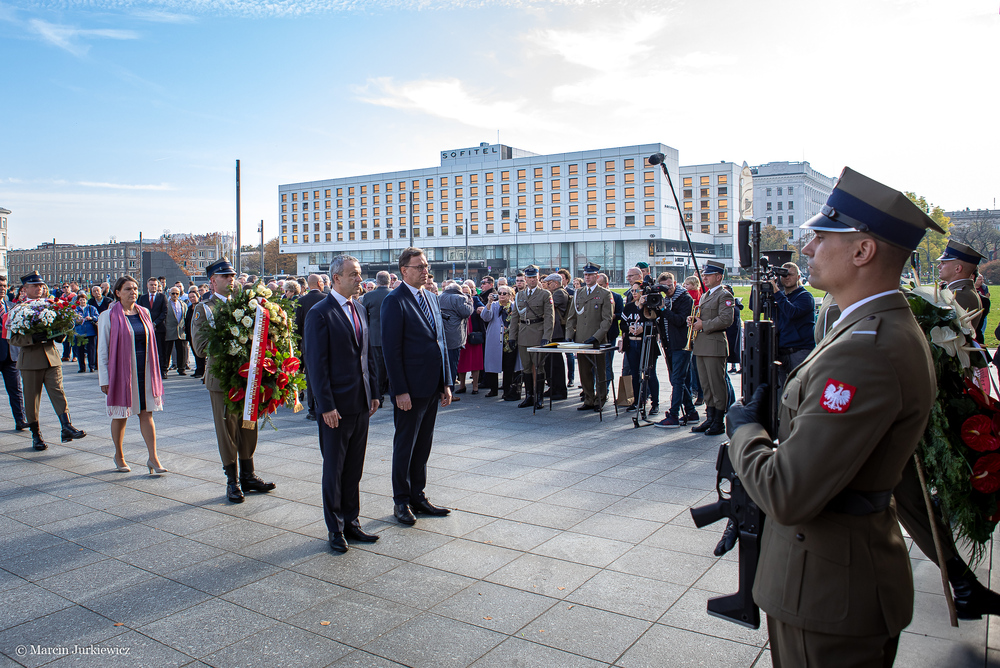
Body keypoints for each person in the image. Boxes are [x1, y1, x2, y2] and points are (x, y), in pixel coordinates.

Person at [726, 167, 942, 667]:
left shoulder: (866, 350)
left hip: (826, 587)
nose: (806, 250)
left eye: (821, 238)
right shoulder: (870, 328)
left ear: (862, 251)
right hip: (833, 578)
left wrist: (745, 432)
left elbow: (788, 491)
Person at [304, 255, 381, 553]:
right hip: (335, 407)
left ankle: (352, 522)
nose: (360, 280)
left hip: (361, 402)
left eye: (360, 274)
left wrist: (374, 391)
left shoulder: (360, 308)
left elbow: (367, 355)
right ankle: (335, 529)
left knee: (354, 468)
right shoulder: (319, 313)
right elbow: (316, 364)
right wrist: (325, 406)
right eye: (354, 275)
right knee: (334, 470)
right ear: (336, 278)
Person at [191, 258, 276, 503]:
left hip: (247, 375)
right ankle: (232, 480)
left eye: (232, 275)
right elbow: (200, 347)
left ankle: (249, 475)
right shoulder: (204, 308)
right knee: (227, 429)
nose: (230, 279)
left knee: (248, 425)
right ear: (213, 281)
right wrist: (232, 341)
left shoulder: (246, 305)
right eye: (225, 276)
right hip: (222, 377)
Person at [380, 247, 453, 525]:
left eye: (426, 266)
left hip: (432, 385)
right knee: (405, 446)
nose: (425, 270)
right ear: (404, 271)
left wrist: (446, 381)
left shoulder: (432, 298)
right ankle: (401, 500)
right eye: (419, 266)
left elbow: (440, 342)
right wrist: (399, 390)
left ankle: (418, 495)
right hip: (409, 388)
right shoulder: (394, 301)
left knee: (423, 445)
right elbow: (391, 350)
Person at [97, 275, 167, 475]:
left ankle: (153, 458)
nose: (133, 292)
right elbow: (103, 350)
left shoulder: (144, 312)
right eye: (128, 289)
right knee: (121, 415)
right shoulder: (108, 316)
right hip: (121, 373)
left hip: (144, 370)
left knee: (147, 413)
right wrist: (104, 379)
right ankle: (119, 455)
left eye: (135, 288)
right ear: (118, 293)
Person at [9, 272, 86, 450]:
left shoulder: (52, 306)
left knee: (58, 392)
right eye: (35, 286)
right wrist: (32, 338)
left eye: (41, 286)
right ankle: (36, 435)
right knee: (31, 399)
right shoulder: (18, 310)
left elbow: (62, 329)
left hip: (51, 357)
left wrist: (61, 335)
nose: (39, 289)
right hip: (30, 361)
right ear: (25, 289)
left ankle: (66, 426)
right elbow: (12, 339)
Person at [688, 260, 733, 436]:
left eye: (708, 275)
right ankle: (710, 417)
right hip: (701, 345)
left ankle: (718, 421)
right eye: (704, 274)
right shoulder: (706, 295)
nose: (704, 277)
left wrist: (703, 325)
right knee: (706, 385)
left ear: (718, 277)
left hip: (714, 346)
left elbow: (725, 319)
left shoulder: (724, 295)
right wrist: (693, 321)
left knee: (717, 385)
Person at [652, 272, 699, 428]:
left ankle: (673, 415)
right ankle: (691, 412)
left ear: (675, 282)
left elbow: (680, 321)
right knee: (679, 379)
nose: (668, 289)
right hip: (669, 344)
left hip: (682, 344)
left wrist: (664, 309)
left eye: (670, 285)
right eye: (665, 287)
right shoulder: (664, 299)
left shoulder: (685, 299)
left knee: (677, 379)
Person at [565, 263, 614, 411]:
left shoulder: (605, 294)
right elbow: (571, 317)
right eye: (585, 275)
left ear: (596, 276)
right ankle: (588, 398)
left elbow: (607, 319)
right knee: (584, 371)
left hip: (597, 340)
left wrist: (597, 336)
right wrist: (569, 335)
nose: (587, 277)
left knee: (599, 371)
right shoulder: (578, 293)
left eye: (590, 275)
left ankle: (600, 398)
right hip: (581, 339)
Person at [507, 265, 554, 409]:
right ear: (525, 279)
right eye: (529, 278)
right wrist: (512, 337)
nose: (532, 280)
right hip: (523, 334)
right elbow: (515, 317)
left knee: (539, 367)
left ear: (538, 277)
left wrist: (547, 336)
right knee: (526, 367)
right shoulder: (520, 295)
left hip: (538, 333)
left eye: (534, 277)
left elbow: (549, 317)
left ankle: (539, 398)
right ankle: (529, 396)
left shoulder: (545, 294)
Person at [767, 263, 815, 386]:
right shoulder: (780, 297)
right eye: (784, 275)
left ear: (799, 277)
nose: (787, 277)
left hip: (800, 351)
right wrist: (761, 286)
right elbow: (754, 307)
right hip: (781, 351)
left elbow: (791, 312)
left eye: (791, 275)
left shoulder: (805, 296)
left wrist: (777, 292)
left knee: (800, 389)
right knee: (781, 391)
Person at [618, 283, 659, 415]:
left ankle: (655, 403)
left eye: (637, 290)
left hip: (646, 343)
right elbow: (623, 324)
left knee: (650, 373)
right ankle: (637, 401)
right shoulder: (629, 307)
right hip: (632, 344)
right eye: (632, 290)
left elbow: (656, 326)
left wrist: (644, 329)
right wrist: (628, 328)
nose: (634, 293)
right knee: (635, 373)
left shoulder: (650, 306)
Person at [937, 240, 986, 335]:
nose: (939, 266)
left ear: (958, 268)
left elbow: (950, 333)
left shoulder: (959, 294)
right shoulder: (963, 291)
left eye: (943, 263)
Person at [295, 274, 327, 421]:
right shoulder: (327, 299)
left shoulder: (301, 301)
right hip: (326, 343)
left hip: (307, 344)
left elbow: (297, 327)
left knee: (311, 376)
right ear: (320, 283)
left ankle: (312, 409)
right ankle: (325, 406)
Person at [0, 275, 28, 431]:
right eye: (0, 286)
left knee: (16, 389)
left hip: (11, 354)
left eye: (4, 286)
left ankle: (20, 419)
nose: (2, 288)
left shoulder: (12, 306)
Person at [438, 280, 474, 398]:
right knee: (452, 366)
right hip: (455, 337)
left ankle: (440, 391)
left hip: (441, 336)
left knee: (442, 366)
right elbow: (466, 312)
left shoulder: (439, 297)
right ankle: (449, 393)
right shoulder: (459, 298)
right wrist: (470, 302)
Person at [361, 271, 391, 407]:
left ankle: (378, 396)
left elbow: (363, 315)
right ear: (389, 281)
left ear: (377, 281)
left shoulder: (368, 296)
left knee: (377, 367)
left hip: (374, 336)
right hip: (392, 337)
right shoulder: (394, 294)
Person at [480, 286, 517, 398]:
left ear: (510, 295)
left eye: (504, 293)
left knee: (509, 366)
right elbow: (485, 317)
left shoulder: (514, 307)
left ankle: (507, 390)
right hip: (495, 340)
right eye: (499, 293)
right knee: (492, 365)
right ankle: (493, 389)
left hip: (509, 341)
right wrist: (489, 303)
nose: (501, 295)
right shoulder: (494, 305)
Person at [541, 273, 568, 400]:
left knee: (556, 363)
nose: (546, 285)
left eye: (548, 283)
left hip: (556, 332)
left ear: (555, 283)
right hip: (553, 331)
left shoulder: (559, 293)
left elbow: (547, 307)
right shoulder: (556, 293)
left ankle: (560, 389)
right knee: (550, 362)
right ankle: (554, 387)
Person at [456, 283, 485, 394]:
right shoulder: (457, 301)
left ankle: (475, 387)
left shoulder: (475, 300)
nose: (465, 294)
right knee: (461, 362)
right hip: (462, 336)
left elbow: (483, 309)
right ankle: (462, 386)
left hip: (474, 336)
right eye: (462, 292)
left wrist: (477, 308)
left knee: (475, 362)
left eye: (467, 292)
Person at [598, 272, 624, 397]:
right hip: (595, 333)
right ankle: (593, 388)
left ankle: (605, 390)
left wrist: (612, 316)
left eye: (601, 285)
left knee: (607, 363)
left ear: (607, 284)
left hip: (609, 333)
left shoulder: (616, 297)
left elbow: (621, 314)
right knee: (593, 364)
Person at [137, 277, 168, 380]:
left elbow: (164, 312)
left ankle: (163, 371)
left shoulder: (162, 297)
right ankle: (149, 371)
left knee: (160, 350)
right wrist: (147, 324)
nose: (153, 287)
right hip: (145, 329)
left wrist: (155, 323)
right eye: (151, 285)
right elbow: (139, 311)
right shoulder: (142, 298)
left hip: (159, 328)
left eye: (155, 285)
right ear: (147, 286)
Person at [164, 287, 189, 376]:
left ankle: (181, 368)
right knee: (167, 351)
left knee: (181, 351)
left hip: (180, 331)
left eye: (177, 294)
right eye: (173, 293)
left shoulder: (183, 304)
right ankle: (164, 369)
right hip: (169, 331)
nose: (175, 295)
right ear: (169, 294)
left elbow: (185, 317)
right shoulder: (166, 304)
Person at [72, 294, 98, 373]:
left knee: (91, 350)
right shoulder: (75, 310)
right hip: (79, 332)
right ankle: (82, 367)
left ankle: (92, 366)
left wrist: (91, 318)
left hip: (90, 332)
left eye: (84, 299)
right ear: (78, 301)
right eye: (80, 300)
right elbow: (72, 321)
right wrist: (77, 320)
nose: (82, 301)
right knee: (80, 350)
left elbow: (97, 316)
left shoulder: (91, 308)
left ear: (86, 300)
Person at [184, 289, 205, 379]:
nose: (192, 299)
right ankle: (198, 369)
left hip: (199, 335)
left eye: (193, 297)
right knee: (194, 352)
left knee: (200, 353)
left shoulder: (201, 307)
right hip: (190, 334)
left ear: (198, 297)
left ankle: (201, 370)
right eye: (190, 298)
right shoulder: (189, 308)